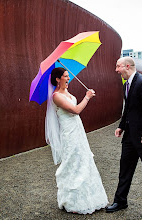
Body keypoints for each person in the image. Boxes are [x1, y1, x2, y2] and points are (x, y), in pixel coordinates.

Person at [106, 57, 142, 218]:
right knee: (125, 170)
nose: (116, 70)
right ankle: (120, 201)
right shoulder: (126, 84)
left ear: (127, 66)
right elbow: (129, 109)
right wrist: (121, 126)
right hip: (130, 137)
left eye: (118, 66)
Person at [45, 67, 108, 214]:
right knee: (73, 163)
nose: (68, 78)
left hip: (78, 131)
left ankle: (90, 198)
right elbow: (76, 110)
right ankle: (74, 202)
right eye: (65, 76)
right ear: (57, 79)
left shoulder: (66, 92)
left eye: (68, 76)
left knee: (84, 161)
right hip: (69, 134)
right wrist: (87, 97)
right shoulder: (56, 96)